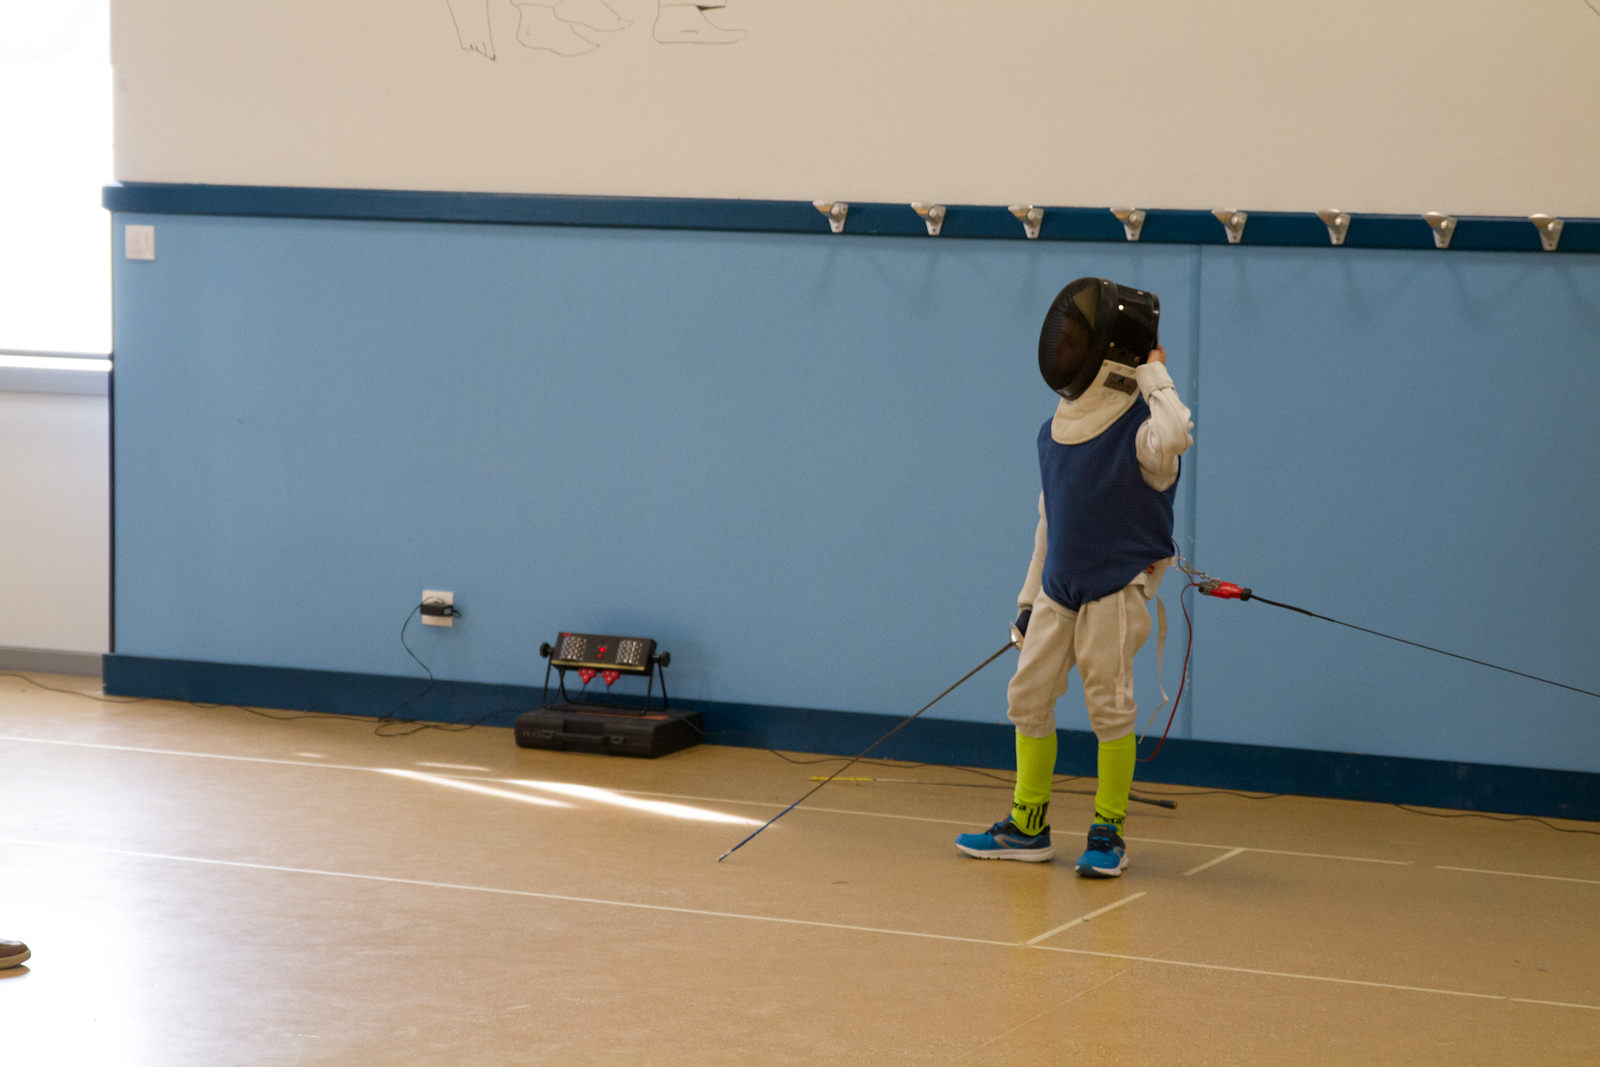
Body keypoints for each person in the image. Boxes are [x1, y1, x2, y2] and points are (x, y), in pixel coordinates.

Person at [956, 278, 1192, 876]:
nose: (1062, 350)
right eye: (1061, 340)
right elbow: (1050, 525)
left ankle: (1108, 832)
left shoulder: (1144, 432)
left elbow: (1177, 434)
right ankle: (1027, 825)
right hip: (1058, 591)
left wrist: (1154, 372)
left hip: (1115, 590)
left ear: (1109, 352)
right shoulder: (1054, 431)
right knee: (1026, 697)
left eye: (1074, 342)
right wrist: (1027, 601)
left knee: (1109, 707)